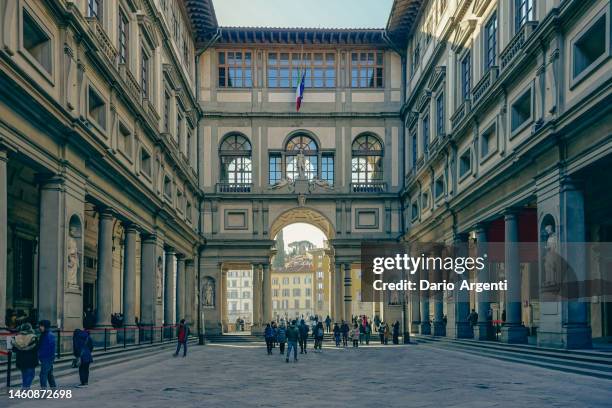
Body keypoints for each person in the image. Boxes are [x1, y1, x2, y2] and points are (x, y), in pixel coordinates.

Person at [12, 323, 38, 389]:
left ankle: (24, 388)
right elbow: (36, 348)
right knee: (31, 375)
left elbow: (14, 349)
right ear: (30, 328)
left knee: (24, 375)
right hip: (30, 359)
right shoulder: (33, 337)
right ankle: (25, 388)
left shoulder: (17, 337)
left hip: (20, 359)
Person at [38, 320, 57, 388]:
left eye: (41, 326)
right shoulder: (44, 334)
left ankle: (43, 393)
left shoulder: (49, 335)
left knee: (43, 375)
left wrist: (41, 356)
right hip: (46, 358)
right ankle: (54, 390)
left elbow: (49, 349)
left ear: (45, 326)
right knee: (49, 374)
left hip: (47, 358)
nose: (40, 327)